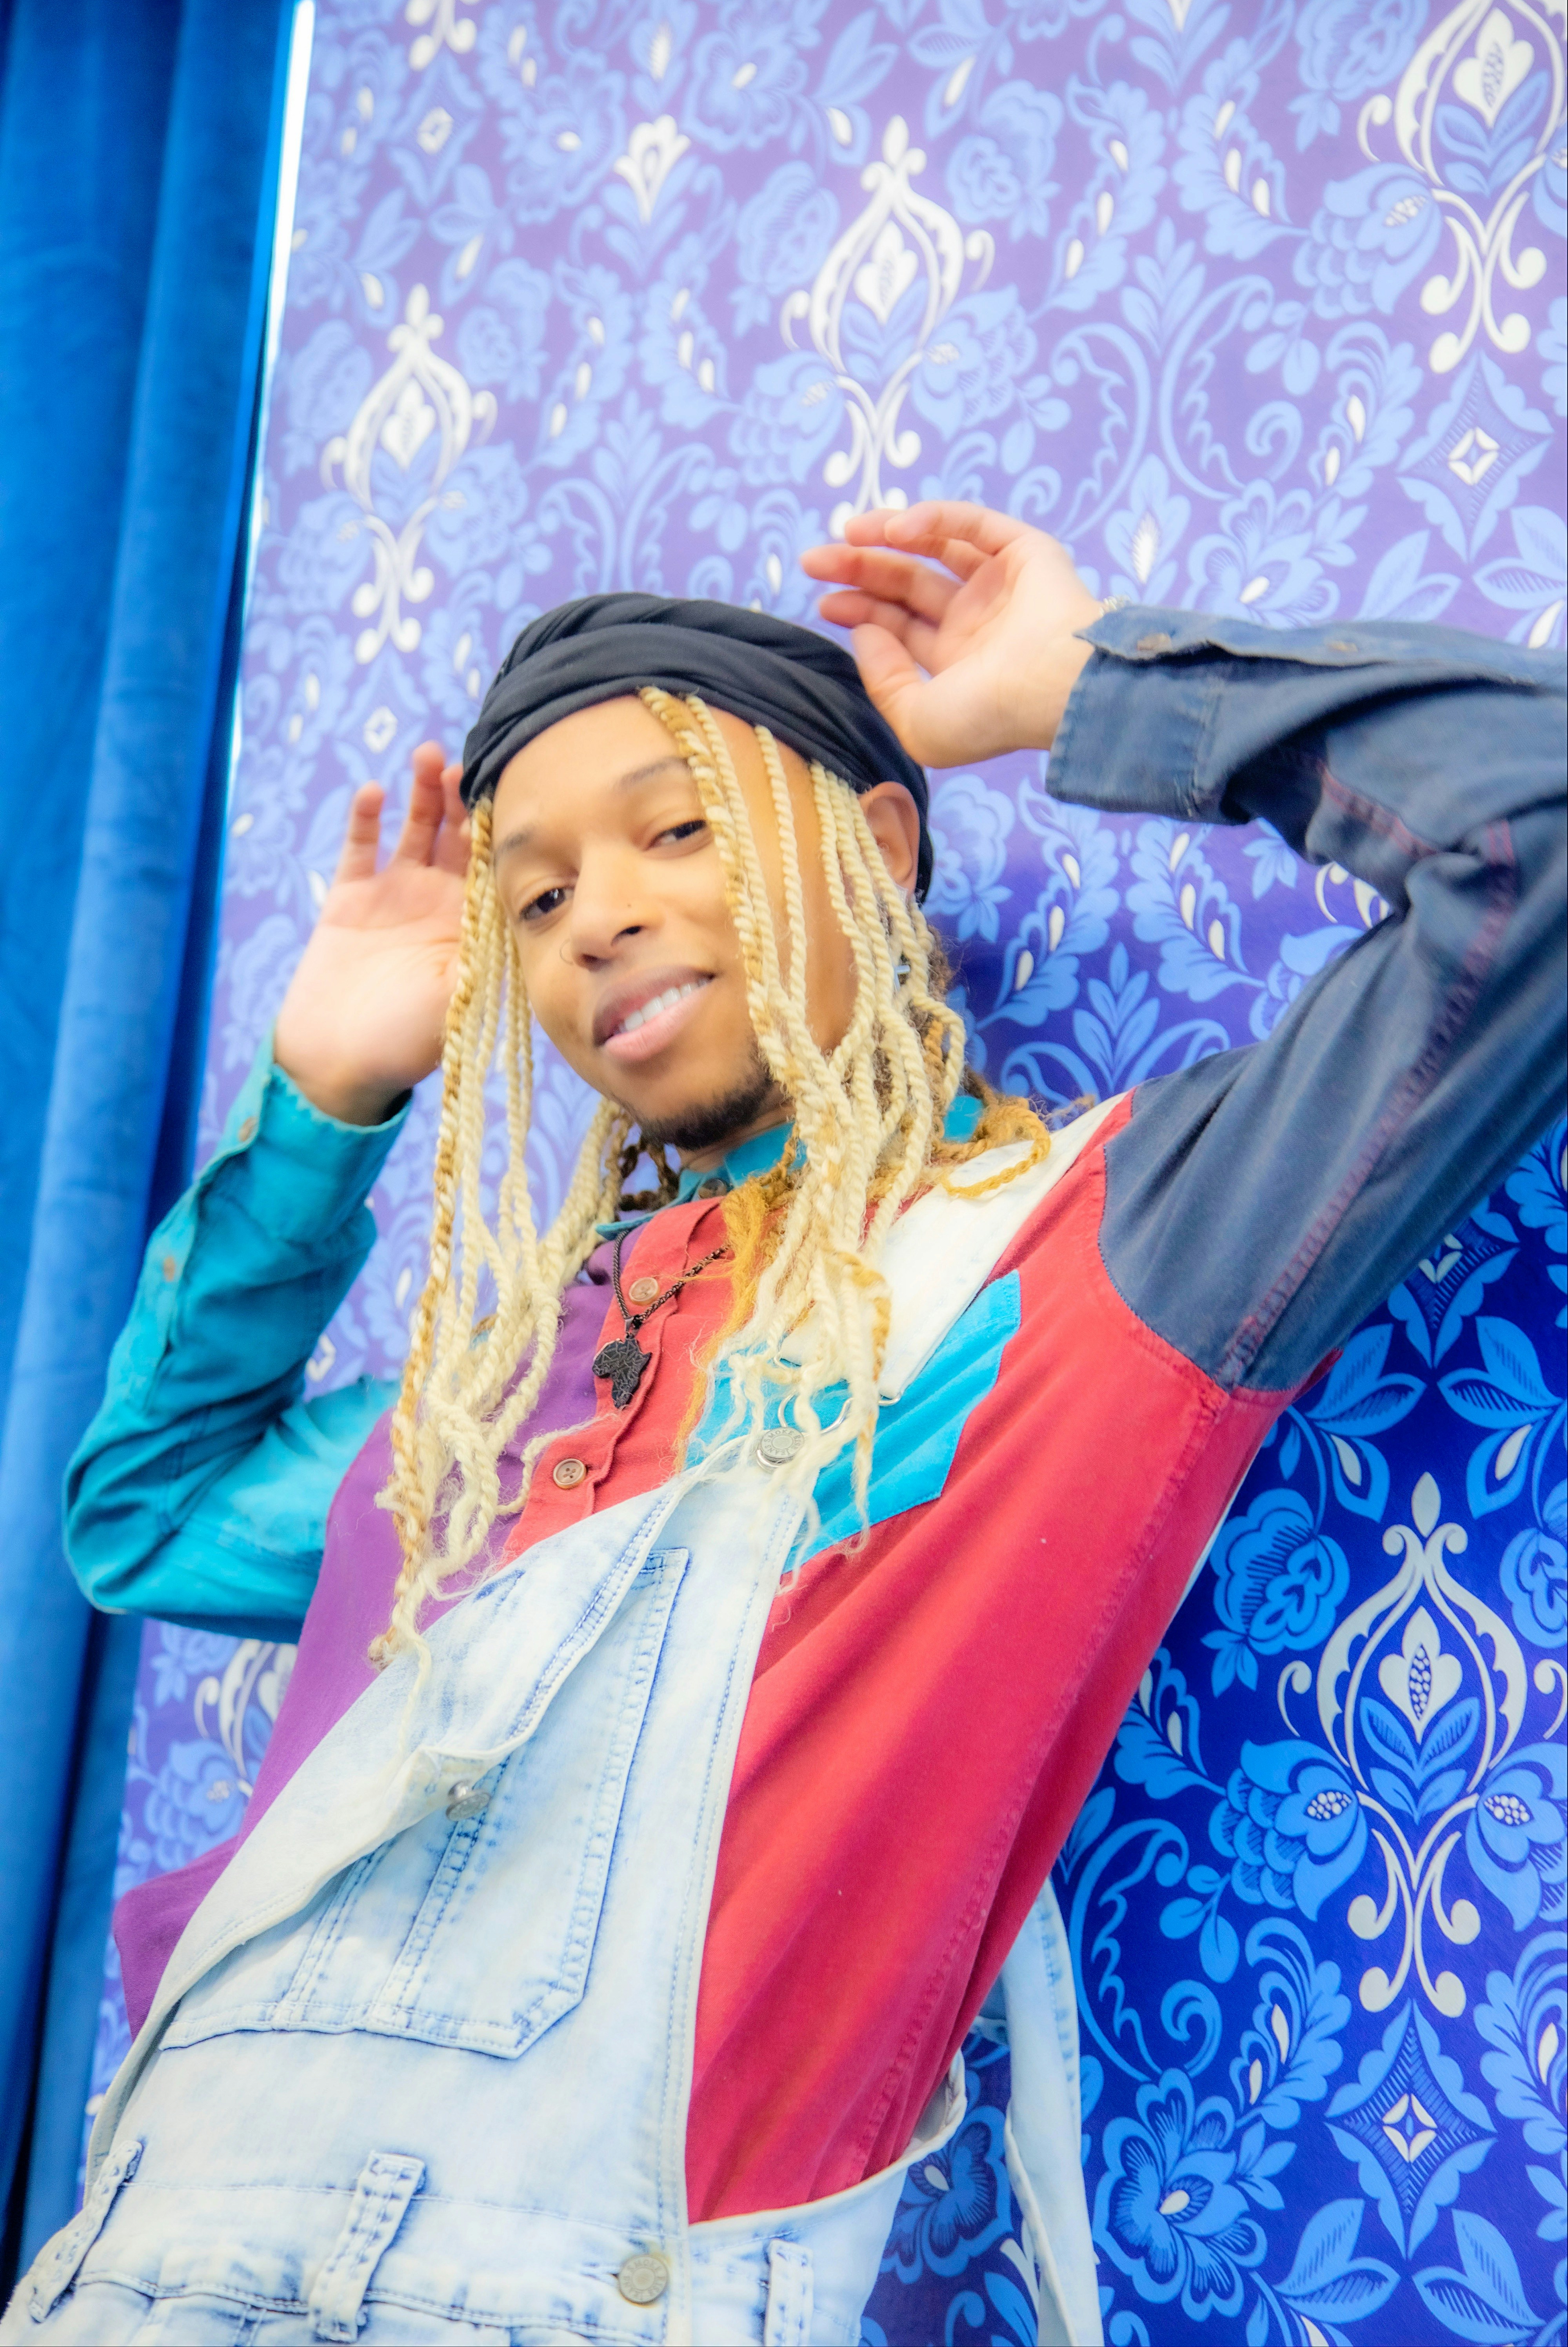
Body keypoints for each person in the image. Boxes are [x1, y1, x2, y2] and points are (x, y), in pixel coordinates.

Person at [7, 504, 1562, 2347]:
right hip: (137, 2252)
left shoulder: (1088, 1261)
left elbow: (1528, 840)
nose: (606, 915)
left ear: (877, 841)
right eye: (536, 897)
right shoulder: (497, 1386)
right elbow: (146, 1514)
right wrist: (325, 1099)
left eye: (680, 829)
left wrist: (1085, 684)